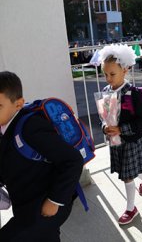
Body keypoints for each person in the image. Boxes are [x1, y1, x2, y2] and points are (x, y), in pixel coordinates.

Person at [0, 71, 84, 241]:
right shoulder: (3, 127)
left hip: (47, 203)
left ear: (18, 104)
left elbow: (73, 160)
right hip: (25, 203)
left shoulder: (30, 126)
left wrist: (55, 200)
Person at [99, 46, 142, 225]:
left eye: (112, 74)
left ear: (125, 69)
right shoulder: (107, 90)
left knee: (127, 175)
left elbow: (141, 121)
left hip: (130, 141)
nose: (108, 79)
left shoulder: (134, 93)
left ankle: (131, 208)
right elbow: (104, 116)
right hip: (116, 141)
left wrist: (122, 129)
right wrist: (105, 127)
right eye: (105, 74)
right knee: (129, 170)